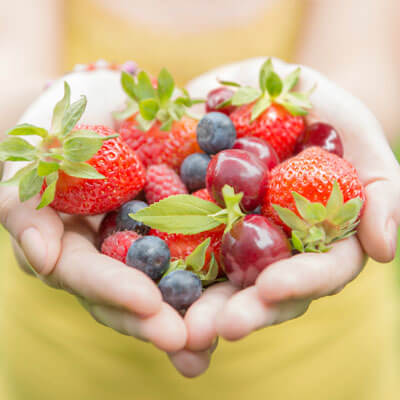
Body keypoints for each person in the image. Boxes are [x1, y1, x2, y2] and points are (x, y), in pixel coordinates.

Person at [1, 1, 400, 399]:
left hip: (320, 367)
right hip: (70, 366)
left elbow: (369, 65)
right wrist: (51, 112)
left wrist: (327, 102)